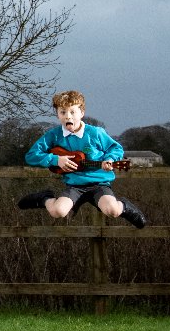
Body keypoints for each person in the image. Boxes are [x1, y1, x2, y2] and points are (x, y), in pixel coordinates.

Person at [16, 91, 148, 229]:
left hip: (99, 184)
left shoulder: (95, 133)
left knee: (112, 210)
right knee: (58, 211)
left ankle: (126, 207)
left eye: (72, 112)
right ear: (57, 114)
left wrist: (110, 159)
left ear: (82, 113)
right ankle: (44, 198)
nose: (68, 116)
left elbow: (116, 148)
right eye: (62, 112)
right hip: (74, 186)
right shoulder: (54, 135)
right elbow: (31, 155)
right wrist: (55, 160)